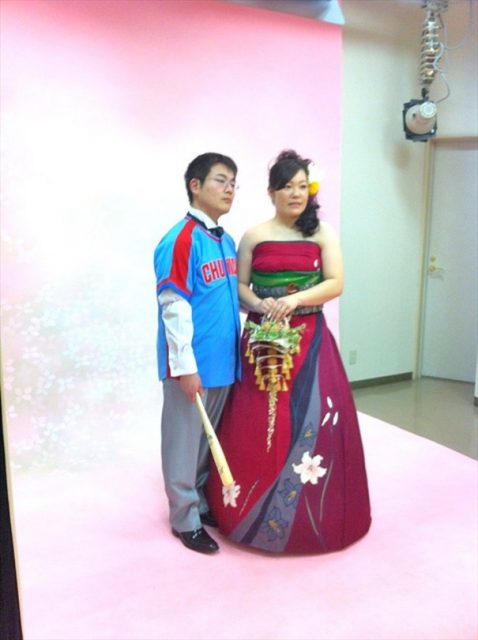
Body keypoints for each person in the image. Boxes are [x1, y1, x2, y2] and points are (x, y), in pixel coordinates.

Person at [206, 150, 371, 554]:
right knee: (256, 420)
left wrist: (295, 301)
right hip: (261, 340)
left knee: (312, 419)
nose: (296, 194)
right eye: (287, 187)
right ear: (271, 192)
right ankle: (246, 514)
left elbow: (335, 283)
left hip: (309, 341)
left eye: (302, 186)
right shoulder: (254, 236)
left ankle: (313, 520)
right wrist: (259, 303)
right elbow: (239, 287)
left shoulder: (322, 233)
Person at [154, 152, 241, 554]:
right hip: (193, 367)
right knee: (183, 443)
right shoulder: (180, 240)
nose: (229, 190)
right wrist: (185, 368)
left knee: (206, 444)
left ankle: (201, 504)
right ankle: (184, 519)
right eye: (221, 181)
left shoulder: (225, 241)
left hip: (224, 365)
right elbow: (173, 305)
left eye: (233, 184)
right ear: (195, 185)